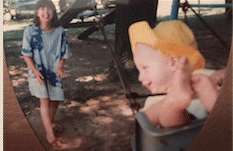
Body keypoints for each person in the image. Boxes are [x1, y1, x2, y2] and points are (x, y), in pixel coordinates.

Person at [128, 20, 226, 128]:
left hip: (199, 135)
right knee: (156, 113)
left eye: (145, 68)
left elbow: (143, 126)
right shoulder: (202, 77)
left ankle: (176, 104)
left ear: (173, 62)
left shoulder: (203, 77)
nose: (140, 78)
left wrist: (222, 74)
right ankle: (177, 104)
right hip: (193, 134)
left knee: (152, 115)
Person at [21, 0, 71, 149]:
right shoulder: (29, 30)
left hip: (54, 71)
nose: (45, 12)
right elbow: (26, 55)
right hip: (38, 71)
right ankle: (49, 134)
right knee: (45, 101)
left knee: (55, 99)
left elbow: (64, 52)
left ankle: (51, 122)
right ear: (37, 12)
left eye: (49, 9)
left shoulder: (60, 31)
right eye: (42, 9)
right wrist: (35, 71)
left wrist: (61, 67)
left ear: (54, 12)